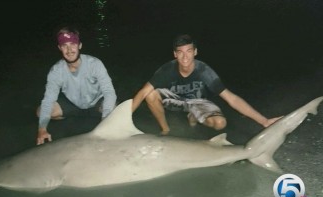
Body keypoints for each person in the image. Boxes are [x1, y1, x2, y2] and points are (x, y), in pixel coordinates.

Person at [132, 34, 281, 135]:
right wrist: (123, 118)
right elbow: (142, 92)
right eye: (180, 52)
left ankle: (194, 115)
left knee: (220, 123)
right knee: (150, 94)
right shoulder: (166, 70)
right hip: (175, 99)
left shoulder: (204, 71)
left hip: (197, 102)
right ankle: (165, 130)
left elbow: (232, 99)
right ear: (175, 54)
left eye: (189, 51)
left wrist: (264, 121)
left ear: (195, 52)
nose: (185, 56)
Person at [36, 26, 117, 145]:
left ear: (79, 45)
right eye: (64, 46)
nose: (69, 50)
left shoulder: (94, 64)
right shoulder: (56, 71)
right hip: (73, 105)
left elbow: (109, 92)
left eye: (72, 44)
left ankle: (100, 117)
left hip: (96, 103)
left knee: (114, 108)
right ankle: (74, 116)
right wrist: (42, 129)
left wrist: (105, 120)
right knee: (41, 112)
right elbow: (48, 99)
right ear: (59, 48)